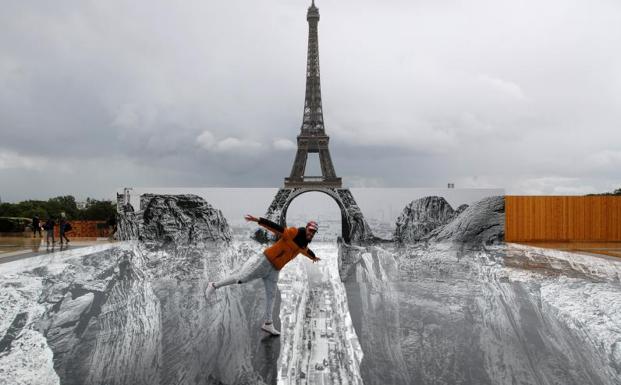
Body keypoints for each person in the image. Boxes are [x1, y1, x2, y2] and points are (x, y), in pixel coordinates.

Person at [205, 215, 321, 336]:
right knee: (241, 279)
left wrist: (314, 257)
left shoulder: (302, 245)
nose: (311, 234)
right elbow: (277, 229)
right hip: (265, 262)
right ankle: (214, 285)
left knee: (271, 296)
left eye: (314, 232)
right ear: (307, 228)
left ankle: (268, 324)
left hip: (275, 270)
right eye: (311, 230)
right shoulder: (293, 232)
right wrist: (258, 220)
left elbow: (306, 251)